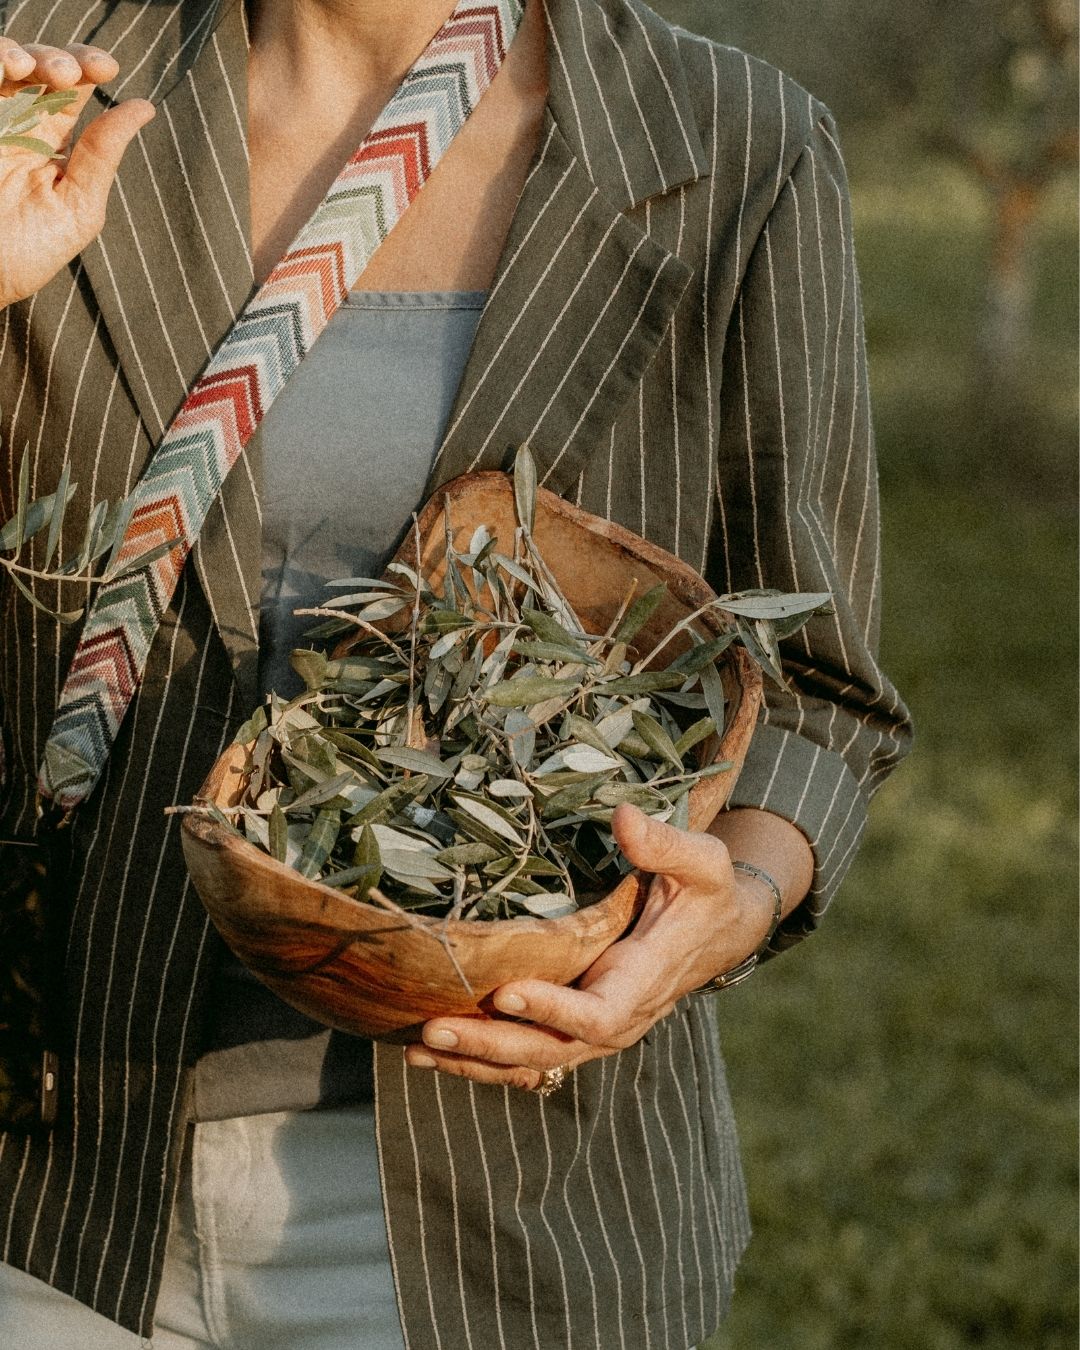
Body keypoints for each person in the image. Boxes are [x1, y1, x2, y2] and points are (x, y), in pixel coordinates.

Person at [0, 0, 912, 1346]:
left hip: (507, 1225)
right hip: (51, 1193)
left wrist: (736, 902)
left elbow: (820, 691)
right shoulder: (41, 79)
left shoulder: (729, 148)